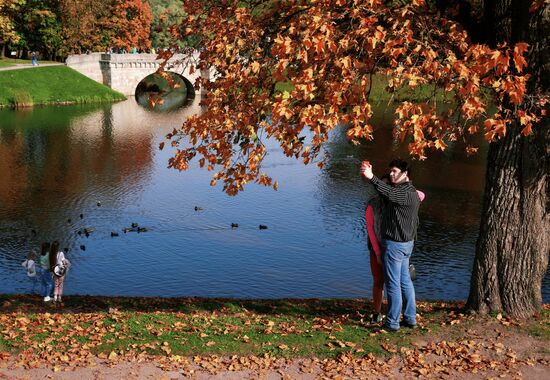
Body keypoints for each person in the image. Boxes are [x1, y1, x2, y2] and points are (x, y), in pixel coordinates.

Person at [361, 158, 420, 332]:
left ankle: (392, 323)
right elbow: (386, 192)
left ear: (405, 174)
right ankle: (410, 318)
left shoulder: (405, 193)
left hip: (395, 246)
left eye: (395, 171)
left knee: (393, 284)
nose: (392, 174)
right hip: (405, 245)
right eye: (391, 171)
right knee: (405, 282)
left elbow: (388, 192)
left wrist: (371, 177)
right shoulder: (411, 192)